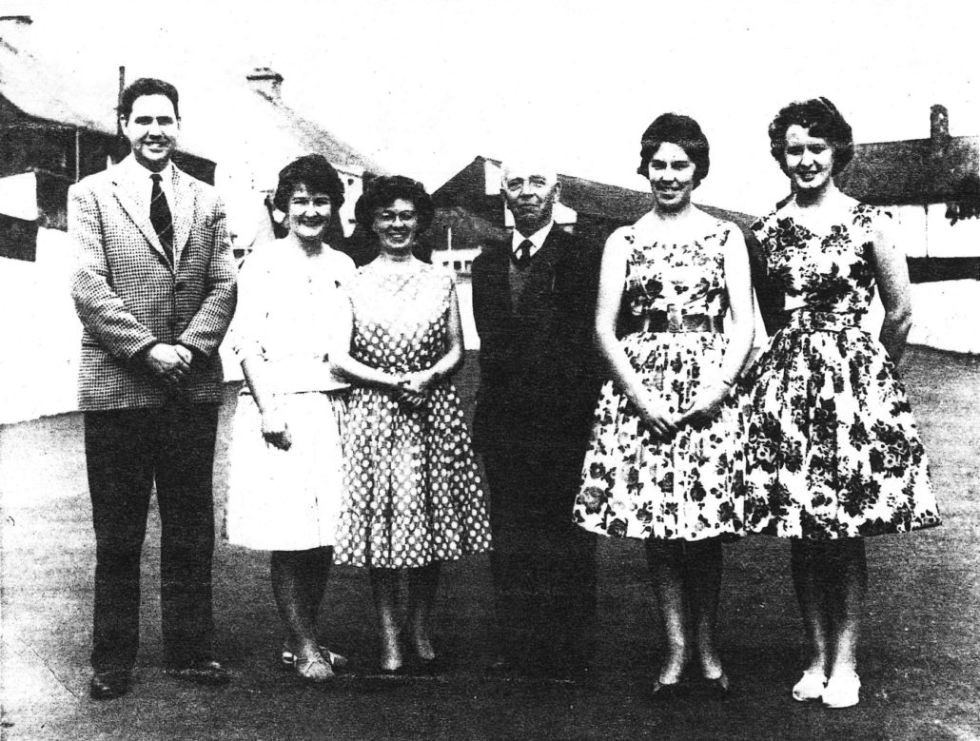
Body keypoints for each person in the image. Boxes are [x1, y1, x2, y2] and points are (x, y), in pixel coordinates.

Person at [743, 98, 941, 708]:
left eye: (816, 148)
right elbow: (765, 315)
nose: (805, 160)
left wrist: (872, 378)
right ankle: (815, 656)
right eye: (794, 150)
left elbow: (899, 312)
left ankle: (847, 661)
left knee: (845, 527)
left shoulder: (869, 222)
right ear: (781, 157)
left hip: (853, 386)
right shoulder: (766, 230)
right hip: (790, 384)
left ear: (837, 152)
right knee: (802, 527)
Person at [573, 114, 755, 698]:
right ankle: (675, 647)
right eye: (659, 164)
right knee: (660, 526)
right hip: (643, 391)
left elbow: (744, 324)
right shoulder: (624, 239)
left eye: (680, 164)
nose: (669, 175)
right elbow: (604, 328)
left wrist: (718, 388)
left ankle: (708, 646)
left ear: (698, 170)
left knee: (702, 527)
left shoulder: (725, 236)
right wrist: (640, 398)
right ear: (645, 168)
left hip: (709, 389)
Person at [69, 78, 237, 700]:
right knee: (118, 533)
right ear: (124, 125)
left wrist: (189, 349)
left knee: (190, 527)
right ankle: (113, 659)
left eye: (165, 120)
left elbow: (224, 284)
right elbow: (88, 285)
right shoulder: (90, 194)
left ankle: (191, 651)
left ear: (179, 125)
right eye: (143, 121)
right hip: (119, 387)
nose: (155, 131)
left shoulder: (207, 200)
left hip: (190, 388)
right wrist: (147, 349)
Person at [331, 175, 492, 674]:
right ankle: (389, 635)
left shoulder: (440, 280)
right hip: (377, 413)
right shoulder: (353, 281)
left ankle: (420, 626)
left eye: (406, 216)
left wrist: (428, 377)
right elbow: (339, 357)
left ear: (420, 222)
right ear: (372, 222)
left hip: (432, 410)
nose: (397, 224)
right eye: (387, 216)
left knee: (431, 519)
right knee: (384, 525)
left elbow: (457, 349)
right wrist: (389, 380)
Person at [471, 159, 603, 680]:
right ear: (503, 193)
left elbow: (589, 343)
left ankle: (571, 648)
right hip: (505, 424)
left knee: (566, 534)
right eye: (516, 184)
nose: (527, 192)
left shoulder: (583, 255)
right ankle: (518, 644)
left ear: (556, 191)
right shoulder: (488, 262)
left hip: (564, 421)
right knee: (511, 534)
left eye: (537, 183)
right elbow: (492, 346)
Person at [224, 155, 354, 682]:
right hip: (282, 406)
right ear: (281, 209)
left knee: (324, 533)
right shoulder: (262, 263)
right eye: (299, 201)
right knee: (291, 530)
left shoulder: (343, 265)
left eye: (321, 201)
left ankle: (303, 636)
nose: (310, 211)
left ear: (334, 207)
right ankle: (302, 646)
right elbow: (246, 344)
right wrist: (269, 409)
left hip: (334, 406)